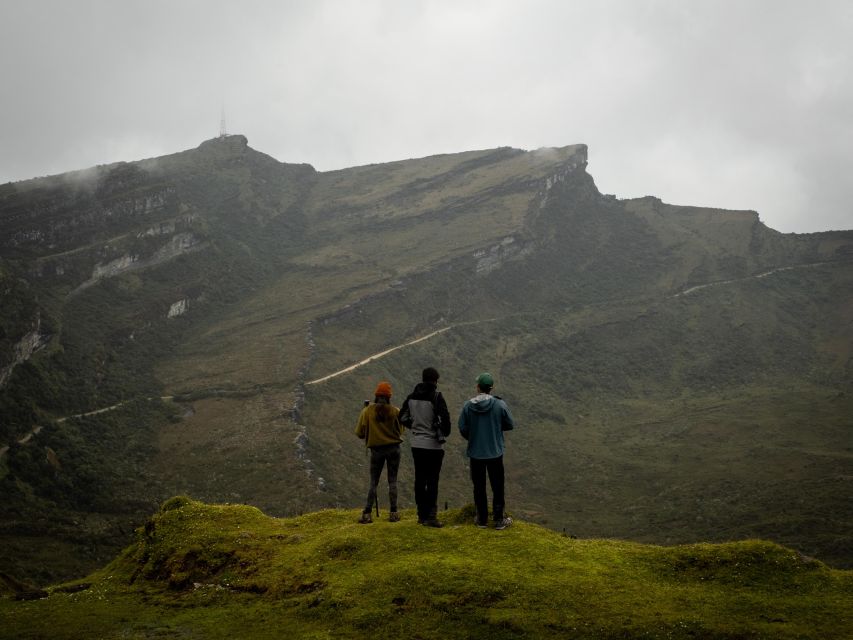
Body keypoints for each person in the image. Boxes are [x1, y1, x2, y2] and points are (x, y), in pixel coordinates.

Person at [458, 372, 515, 529]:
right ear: (491, 388)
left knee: (479, 486)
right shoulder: (499, 404)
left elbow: (462, 427)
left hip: (476, 453)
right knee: (497, 486)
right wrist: (496, 429)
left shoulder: (468, 406)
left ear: (478, 387)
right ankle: (498, 520)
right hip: (495, 453)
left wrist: (473, 437)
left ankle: (481, 519)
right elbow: (510, 423)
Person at [399, 367, 452, 527]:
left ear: (423, 379)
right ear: (435, 381)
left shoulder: (411, 397)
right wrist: (438, 429)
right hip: (434, 447)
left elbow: (401, 416)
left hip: (417, 444)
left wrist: (413, 425)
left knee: (419, 479)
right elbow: (447, 426)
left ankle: (421, 515)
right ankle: (431, 516)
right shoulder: (437, 397)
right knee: (432, 480)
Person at [355, 381, 404, 523]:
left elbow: (359, 433)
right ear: (389, 397)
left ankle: (367, 513)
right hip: (394, 449)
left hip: (376, 451)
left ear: (376, 396)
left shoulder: (367, 411)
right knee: (393, 480)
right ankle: (393, 513)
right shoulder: (396, 411)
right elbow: (401, 431)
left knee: (373, 482)